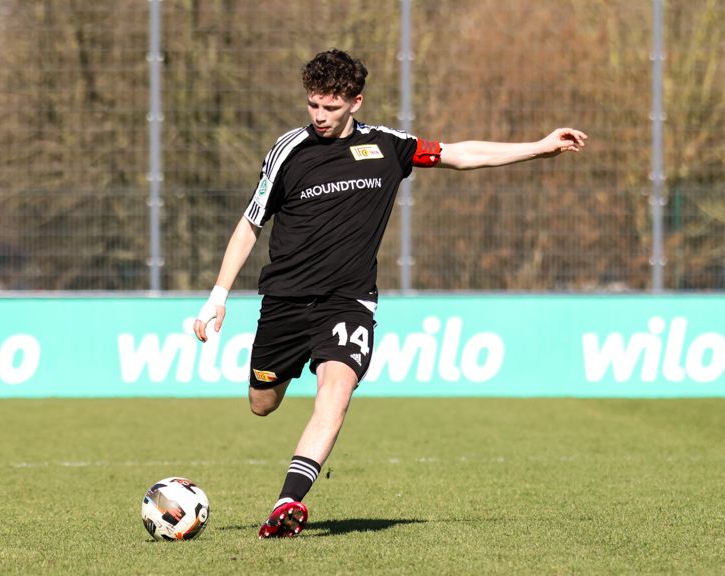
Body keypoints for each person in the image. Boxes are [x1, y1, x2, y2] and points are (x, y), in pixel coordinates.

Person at [193, 48, 586, 538]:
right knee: (262, 402)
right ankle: (280, 404)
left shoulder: (388, 147)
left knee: (335, 394)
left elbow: (458, 154)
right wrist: (218, 295)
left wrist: (538, 147)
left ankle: (287, 503)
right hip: (285, 302)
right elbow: (251, 223)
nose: (319, 117)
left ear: (355, 101)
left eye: (331, 108)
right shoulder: (288, 151)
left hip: (348, 302)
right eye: (313, 105)